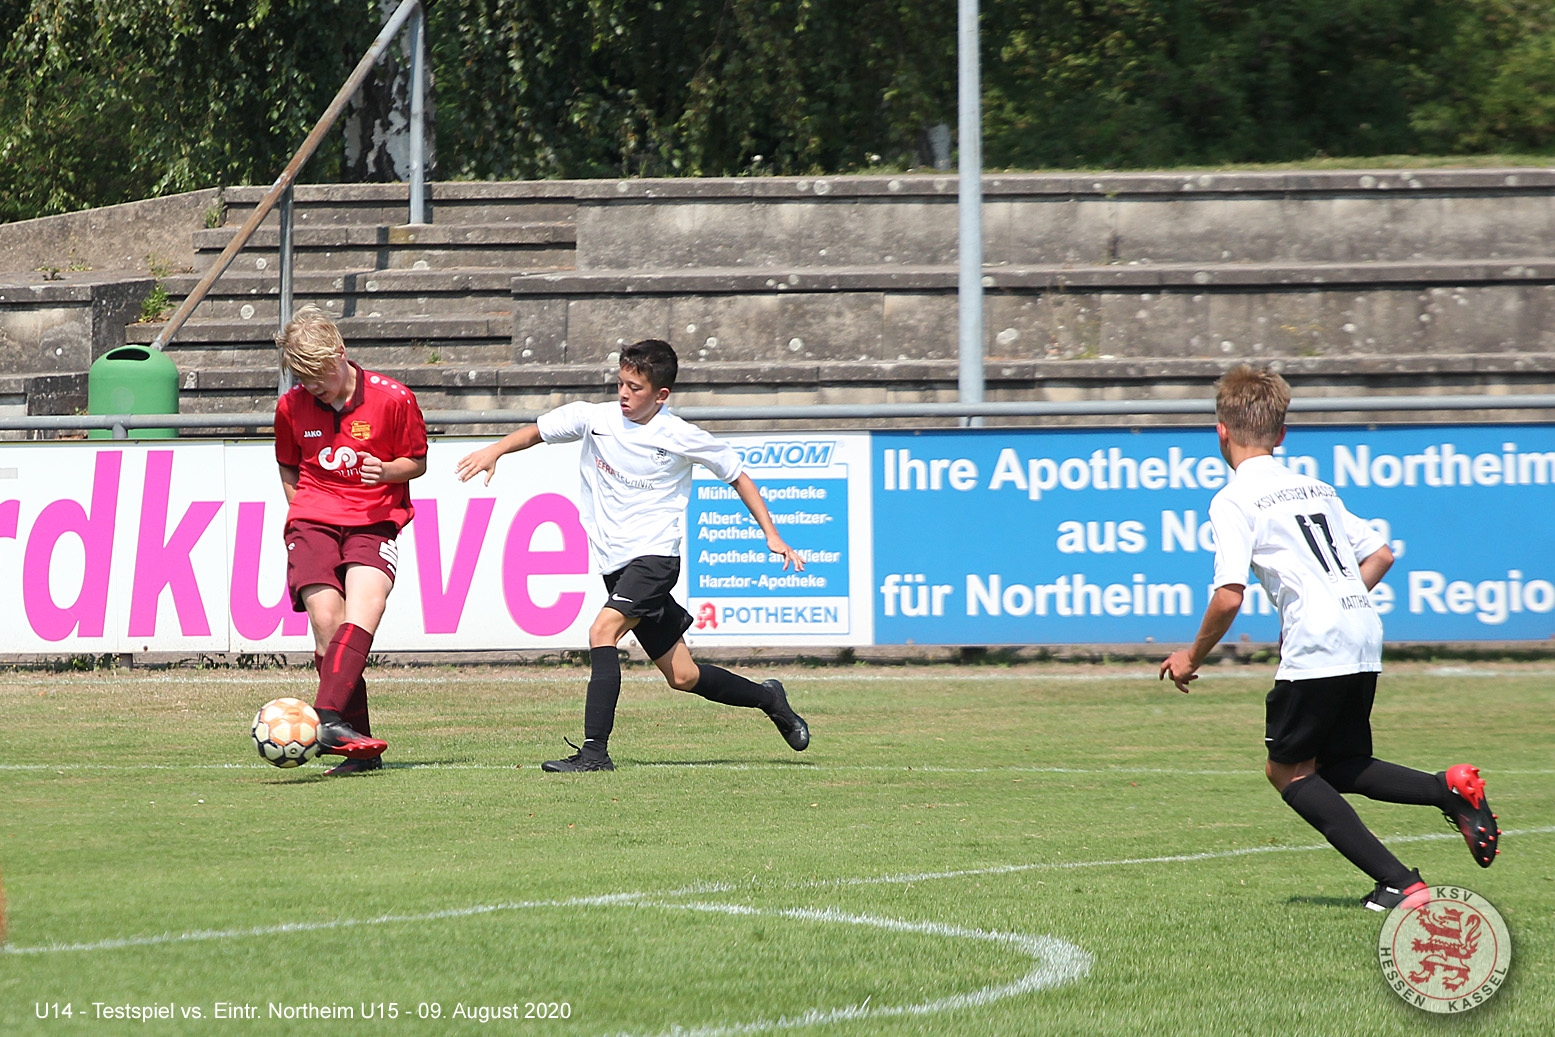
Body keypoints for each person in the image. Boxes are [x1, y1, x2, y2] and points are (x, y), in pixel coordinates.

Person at [1159, 364, 1499, 911]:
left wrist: (1190, 655)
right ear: (1283, 433)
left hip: (1320, 640)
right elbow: (1382, 554)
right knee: (1338, 765)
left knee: (1287, 771)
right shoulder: (1316, 488)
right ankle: (1449, 789)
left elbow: (1228, 594)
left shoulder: (1233, 498)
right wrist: (1334, 600)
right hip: (1362, 629)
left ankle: (1400, 883)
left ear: (1220, 431)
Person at [455, 338, 810, 772]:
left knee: (601, 631)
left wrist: (771, 535)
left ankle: (594, 754)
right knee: (683, 676)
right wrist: (495, 450)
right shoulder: (595, 418)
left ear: (661, 395)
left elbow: (738, 477)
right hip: (616, 564)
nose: (624, 394)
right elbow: (538, 431)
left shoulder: (680, 435)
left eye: (635, 387)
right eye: (621, 383)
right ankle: (770, 697)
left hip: (655, 559)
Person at [274, 305, 427, 776]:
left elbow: (416, 462)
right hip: (313, 520)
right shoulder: (291, 405)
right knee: (326, 619)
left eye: (317, 375)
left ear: (340, 354)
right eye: (302, 378)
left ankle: (326, 720)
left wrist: (388, 470)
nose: (311, 387)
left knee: (367, 609)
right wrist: (301, 511)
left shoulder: (394, 398)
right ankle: (355, 746)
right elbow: (287, 463)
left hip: (375, 519)